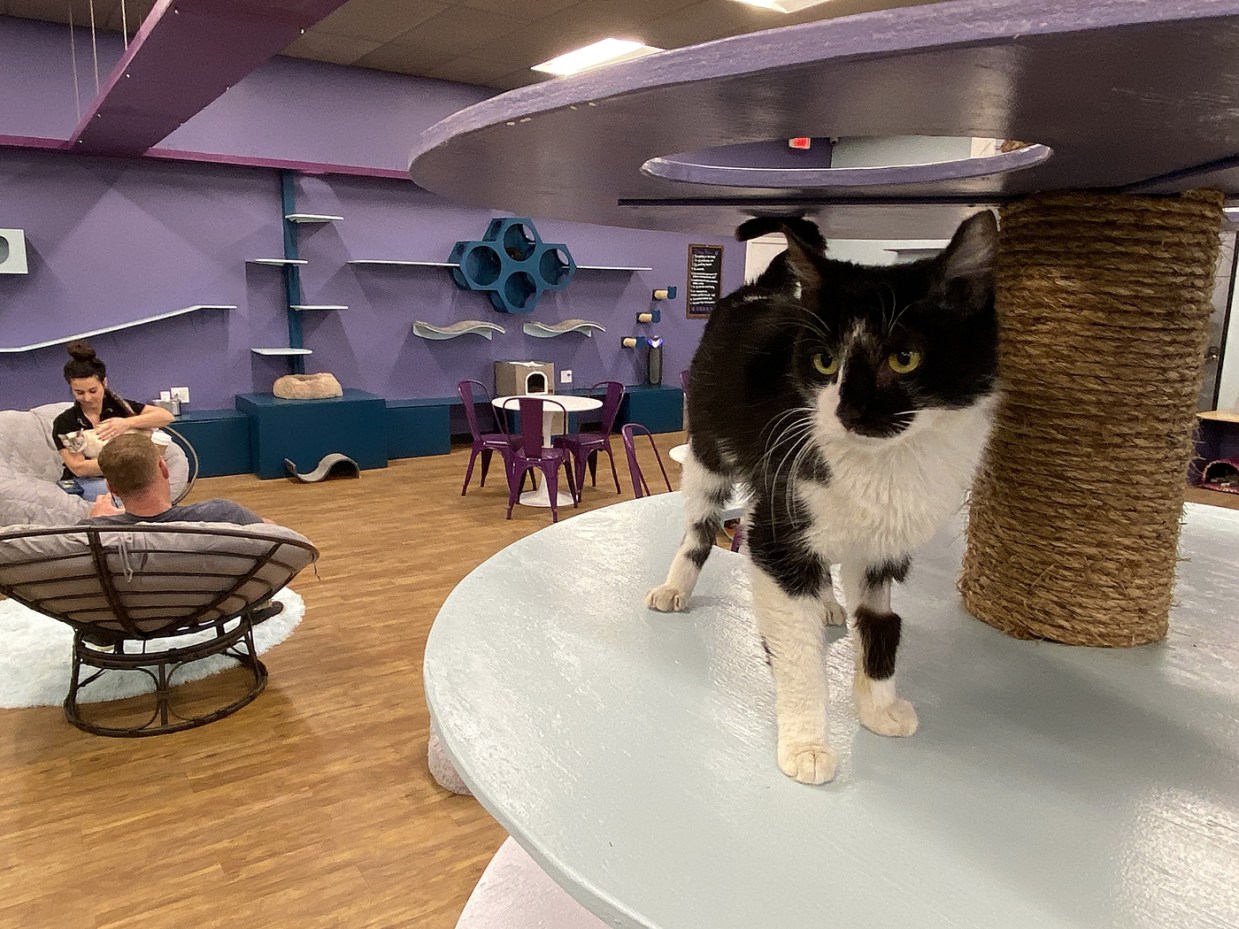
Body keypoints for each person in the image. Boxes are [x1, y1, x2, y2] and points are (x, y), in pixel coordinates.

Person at [53, 341, 174, 503]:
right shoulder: (65, 422)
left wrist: (126, 423)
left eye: (93, 391)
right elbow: (79, 468)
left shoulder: (121, 407)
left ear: (104, 383)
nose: (87, 398)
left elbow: (165, 416)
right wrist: (128, 463)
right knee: (122, 496)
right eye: (79, 392)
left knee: (151, 490)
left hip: (130, 475)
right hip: (90, 480)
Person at [84, 432, 271, 526]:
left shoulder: (89, 533)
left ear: (110, 487)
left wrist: (99, 524)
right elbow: (280, 538)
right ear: (164, 468)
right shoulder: (222, 515)